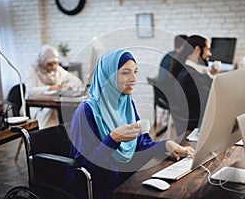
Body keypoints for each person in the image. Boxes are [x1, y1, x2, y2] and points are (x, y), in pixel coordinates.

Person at [66, 49, 195, 199]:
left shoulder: (127, 104)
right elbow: (85, 168)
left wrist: (166, 145)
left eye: (135, 72)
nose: (133, 78)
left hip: (124, 179)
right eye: (126, 72)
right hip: (96, 187)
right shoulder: (86, 111)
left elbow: (141, 146)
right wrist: (113, 139)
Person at [26, 44, 82, 128]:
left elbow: (77, 81)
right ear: (43, 61)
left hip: (55, 105)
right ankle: (48, 139)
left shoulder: (58, 70)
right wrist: (50, 88)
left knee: (74, 111)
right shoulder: (34, 70)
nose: (53, 67)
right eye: (50, 64)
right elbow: (30, 91)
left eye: (55, 63)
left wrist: (68, 85)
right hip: (37, 107)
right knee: (51, 111)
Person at [168, 35, 216, 134]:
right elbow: (211, 98)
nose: (210, 54)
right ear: (197, 49)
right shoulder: (190, 75)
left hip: (195, 121)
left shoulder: (186, 70)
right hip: (197, 127)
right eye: (208, 49)